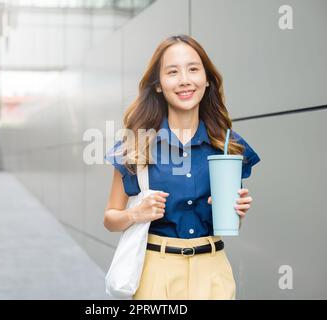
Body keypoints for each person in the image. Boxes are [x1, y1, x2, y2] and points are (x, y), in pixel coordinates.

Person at [103, 34, 261, 300]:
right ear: (158, 85)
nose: (185, 80)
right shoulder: (137, 145)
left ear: (207, 79)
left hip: (213, 272)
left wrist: (238, 211)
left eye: (193, 69)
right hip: (155, 274)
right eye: (173, 72)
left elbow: (230, 224)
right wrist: (136, 214)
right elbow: (110, 218)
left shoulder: (227, 145)